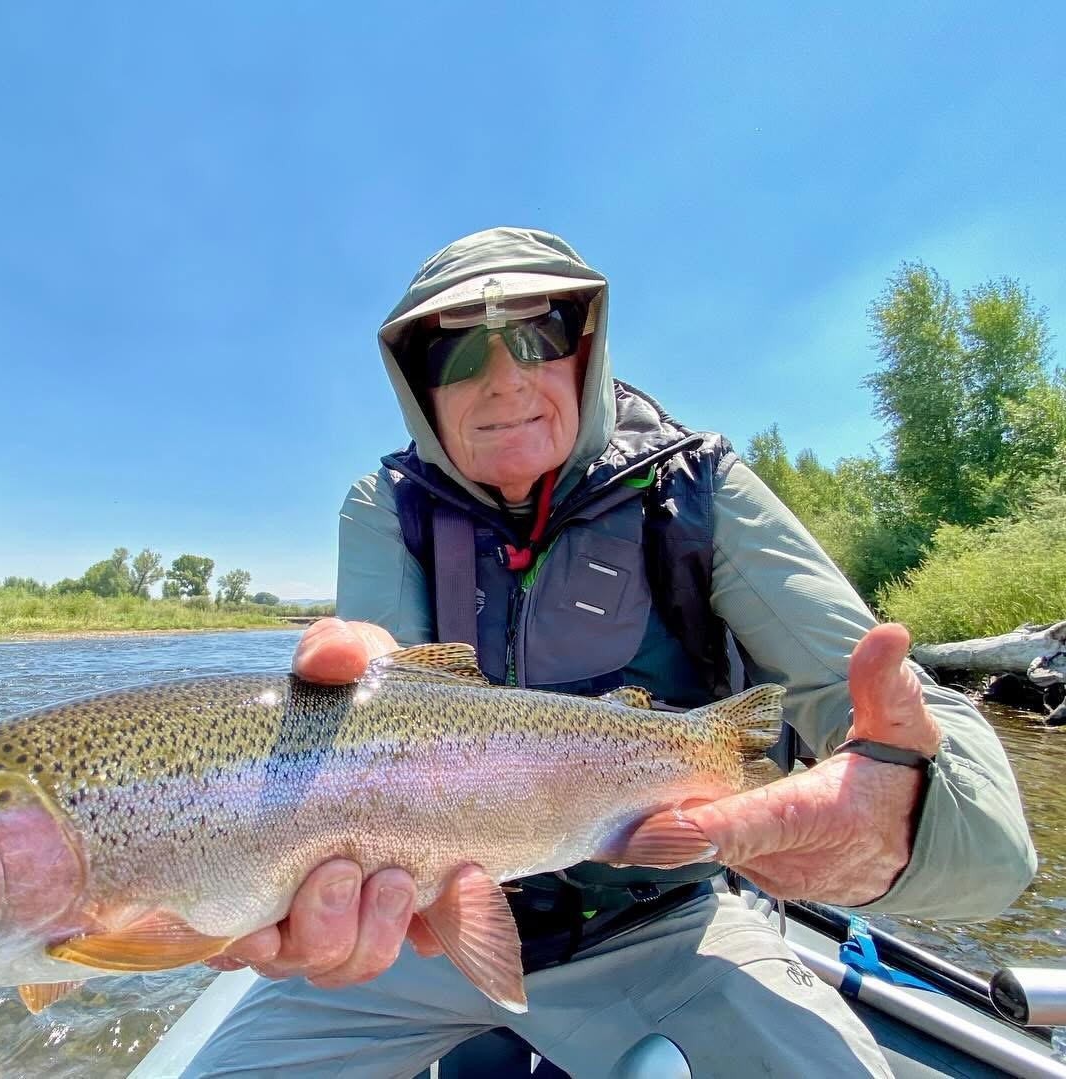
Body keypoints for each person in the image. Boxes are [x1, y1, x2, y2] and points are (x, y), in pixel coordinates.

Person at [185, 227, 1036, 1077]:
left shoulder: (698, 487)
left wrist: (909, 815)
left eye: (536, 335)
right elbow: (378, 710)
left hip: (659, 926)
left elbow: (977, 822)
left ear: (583, 348)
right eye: (457, 355)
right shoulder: (385, 505)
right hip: (416, 932)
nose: (505, 377)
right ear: (417, 385)